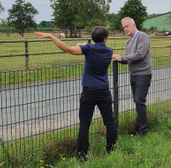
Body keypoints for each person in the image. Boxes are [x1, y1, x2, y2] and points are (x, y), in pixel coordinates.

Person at [35, 26, 117, 159]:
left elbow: (67, 49)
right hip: (103, 91)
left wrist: (52, 36)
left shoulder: (88, 49)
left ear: (92, 37)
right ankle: (111, 149)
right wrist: (84, 45)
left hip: (89, 92)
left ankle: (82, 154)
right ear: (105, 39)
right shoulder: (109, 51)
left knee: (85, 123)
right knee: (109, 121)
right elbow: (94, 48)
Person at [112, 17, 152, 136]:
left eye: (127, 26)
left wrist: (122, 58)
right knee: (137, 101)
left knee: (139, 101)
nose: (125, 29)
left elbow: (139, 54)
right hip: (134, 74)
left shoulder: (142, 37)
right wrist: (116, 58)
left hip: (143, 74)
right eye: (123, 27)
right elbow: (127, 59)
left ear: (133, 25)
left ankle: (142, 131)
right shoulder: (129, 41)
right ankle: (140, 127)